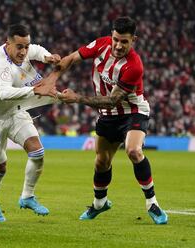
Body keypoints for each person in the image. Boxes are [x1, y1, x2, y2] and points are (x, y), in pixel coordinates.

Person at [50, 16, 168, 224]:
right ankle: (99, 203)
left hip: (132, 112)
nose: (118, 45)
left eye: (124, 41)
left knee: (133, 150)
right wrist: (51, 79)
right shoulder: (101, 44)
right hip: (107, 117)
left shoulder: (134, 66)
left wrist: (77, 98)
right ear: (111, 35)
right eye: (116, 39)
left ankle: (152, 203)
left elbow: (112, 101)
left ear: (134, 40)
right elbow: (71, 58)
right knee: (101, 161)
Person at [0, 24, 61, 222]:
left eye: (26, 46)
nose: (24, 52)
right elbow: (4, 93)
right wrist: (35, 91)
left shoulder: (25, 50)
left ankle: (27, 196)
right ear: (8, 44)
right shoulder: (0, 63)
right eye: (19, 47)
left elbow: (36, 50)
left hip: (14, 113)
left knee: (37, 152)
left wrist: (48, 56)